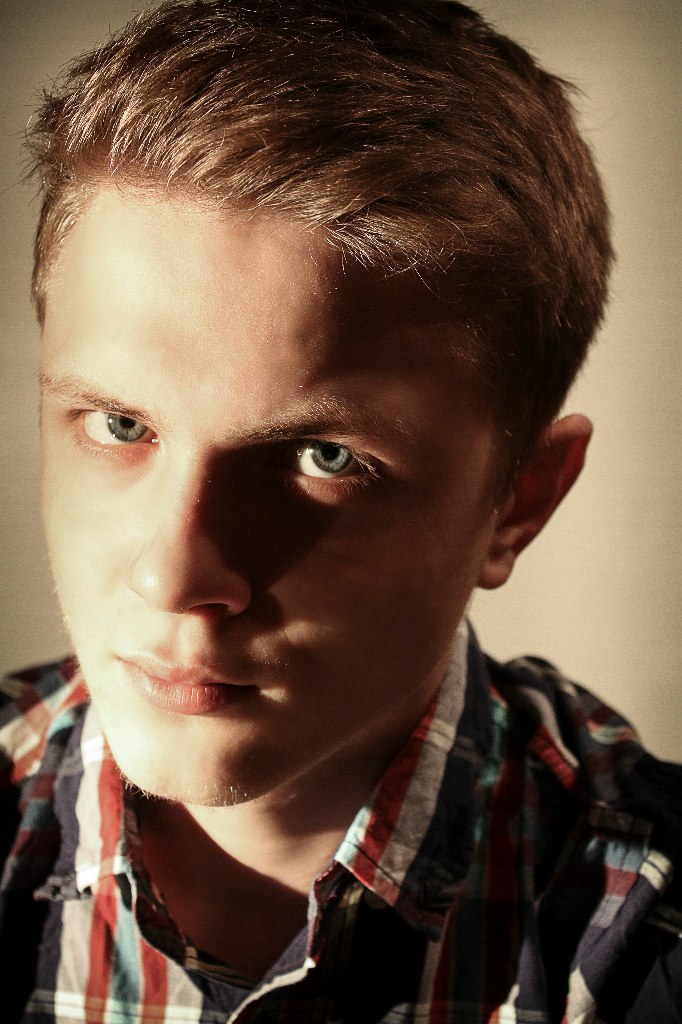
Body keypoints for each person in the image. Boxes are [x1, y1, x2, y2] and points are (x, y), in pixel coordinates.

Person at [0, 0, 679, 1020]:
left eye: (323, 457)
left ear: (518, 500)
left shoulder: (648, 935)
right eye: (120, 424)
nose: (173, 575)